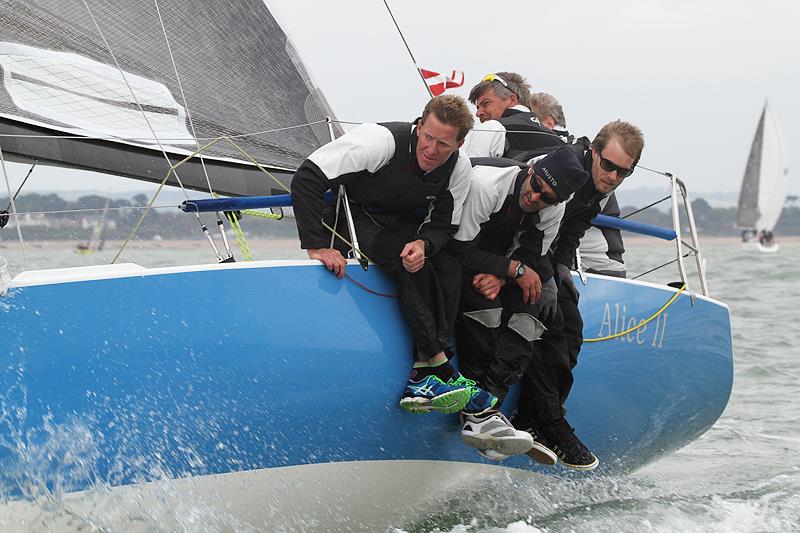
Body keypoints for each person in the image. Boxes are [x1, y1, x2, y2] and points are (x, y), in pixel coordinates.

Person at [291, 95, 498, 418]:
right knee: (408, 265)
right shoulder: (381, 141)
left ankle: (424, 370)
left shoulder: (459, 168)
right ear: (419, 126)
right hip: (354, 218)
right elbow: (307, 177)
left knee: (448, 267)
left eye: (443, 144)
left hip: (403, 227)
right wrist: (316, 245)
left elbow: (444, 225)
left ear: (459, 144)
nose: (431, 149)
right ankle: (440, 369)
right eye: (427, 137)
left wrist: (426, 245)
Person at [513, 120, 645, 470]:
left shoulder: (599, 185)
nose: (614, 176)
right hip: (510, 246)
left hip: (543, 254)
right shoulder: (568, 169)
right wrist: (540, 274)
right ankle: (550, 422)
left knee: (572, 330)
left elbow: (572, 231)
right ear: (594, 152)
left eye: (624, 173)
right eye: (609, 165)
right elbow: (527, 220)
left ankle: (532, 417)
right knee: (549, 323)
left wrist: (559, 268)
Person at [447, 147, 590, 461]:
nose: (536, 197)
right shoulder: (488, 185)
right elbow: (458, 249)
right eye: (536, 186)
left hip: (499, 263)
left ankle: (486, 409)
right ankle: (479, 414)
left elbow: (533, 256)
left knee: (530, 314)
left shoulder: (553, 208)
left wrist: (504, 275)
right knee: (486, 310)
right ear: (530, 172)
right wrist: (510, 270)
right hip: (455, 250)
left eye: (548, 197)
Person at [462, 72, 564, 160]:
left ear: (512, 99)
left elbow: (470, 176)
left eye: (486, 103)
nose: (478, 113)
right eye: (477, 108)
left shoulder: (493, 127)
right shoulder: (558, 141)